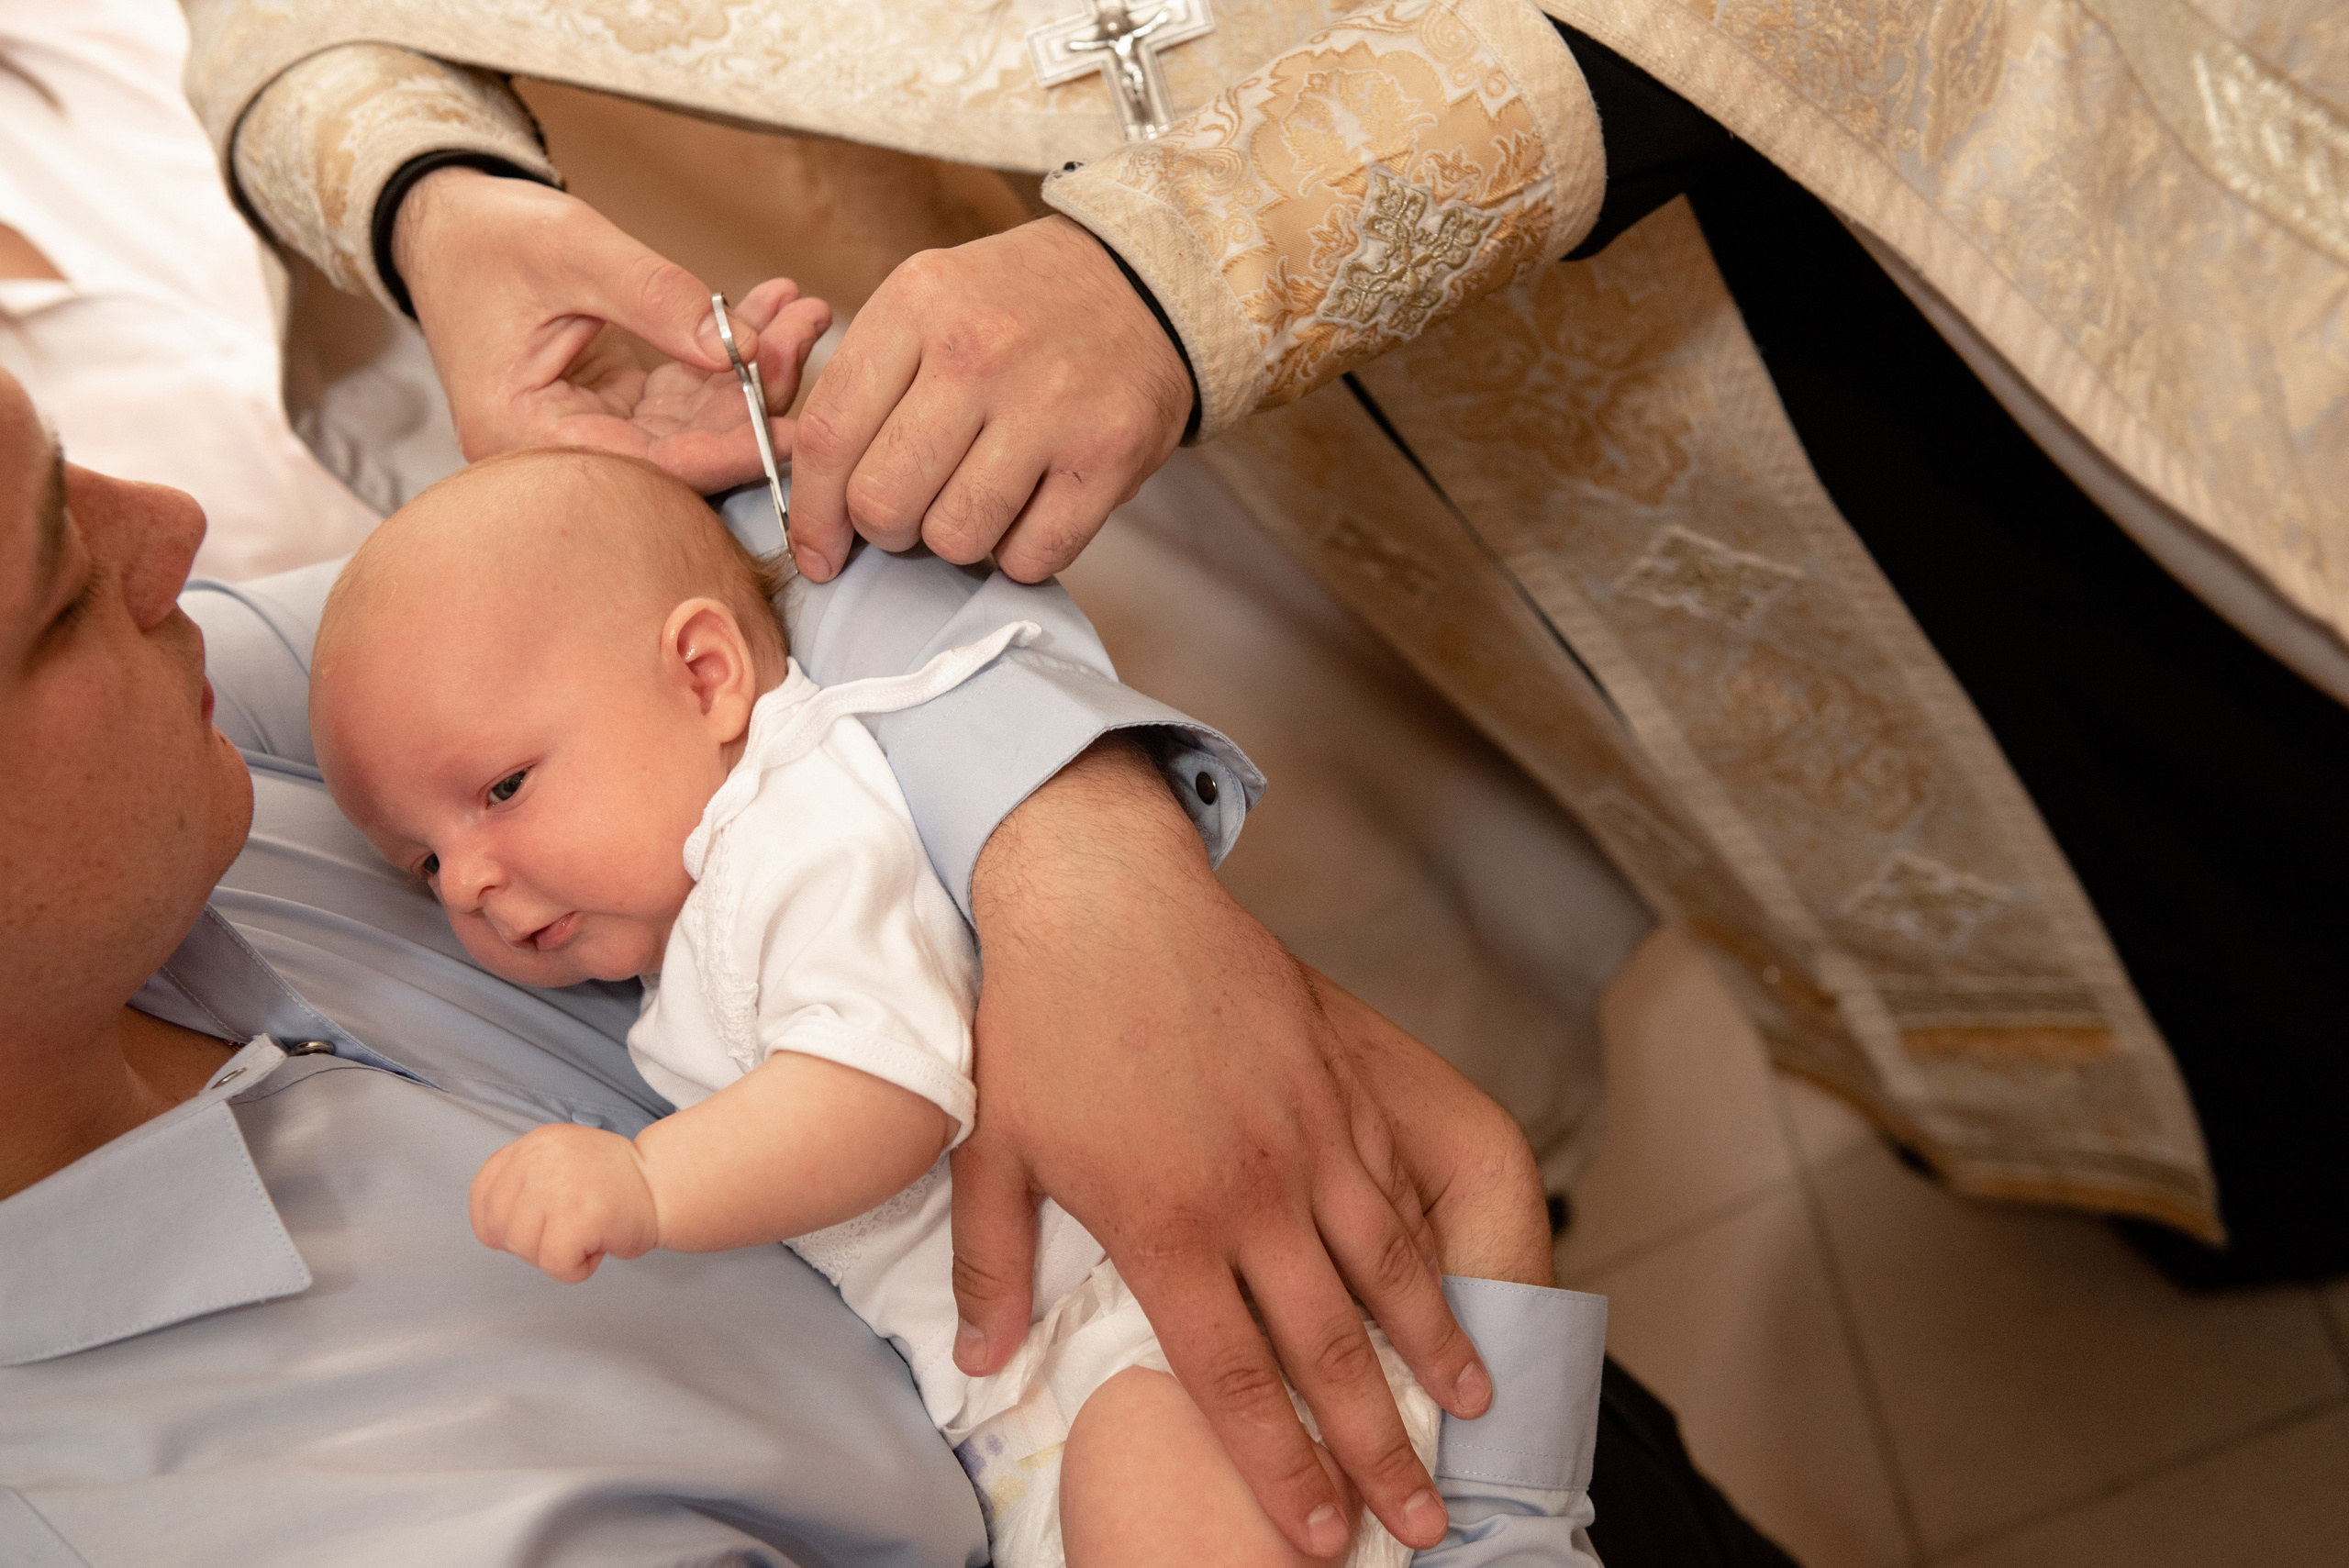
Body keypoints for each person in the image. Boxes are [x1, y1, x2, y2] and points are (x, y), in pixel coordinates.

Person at [186, 0, 2349, 1285]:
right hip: (1310, 444)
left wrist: (1208, 249)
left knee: (2145, 696)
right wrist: (439, 198)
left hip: (1813, 194)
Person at [0, 361, 1623, 1562]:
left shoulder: (233, 760)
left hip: (1149, 1321)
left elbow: (762, 530)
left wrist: (1084, 871)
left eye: (496, 800)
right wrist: (1512, 1501)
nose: (177, 535)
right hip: (1213, 1383)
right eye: (65, 591)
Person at [310, 445, 1531, 1565]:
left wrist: (649, 1184)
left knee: (1160, 1498)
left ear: (704, 674)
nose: (465, 878)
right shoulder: (695, 919)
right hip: (1043, 1394)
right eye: (420, 860)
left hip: (1150, 1322)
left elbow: (882, 1093)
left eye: (502, 787)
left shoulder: (790, 844)